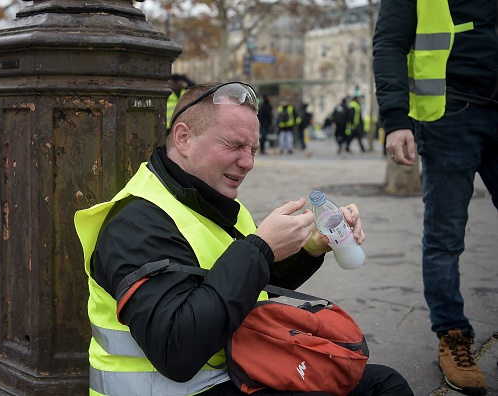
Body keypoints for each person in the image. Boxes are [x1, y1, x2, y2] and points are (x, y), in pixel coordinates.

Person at [74, 81, 415, 396]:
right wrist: (260, 248)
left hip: (233, 368)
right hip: (184, 387)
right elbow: (176, 350)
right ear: (183, 138)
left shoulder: (204, 197)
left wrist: (310, 248)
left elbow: (246, 284)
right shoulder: (136, 224)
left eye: (253, 148)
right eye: (235, 145)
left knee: (384, 383)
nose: (248, 162)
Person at [373, 1, 497, 395]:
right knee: (445, 236)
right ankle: (453, 335)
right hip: (448, 114)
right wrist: (395, 120)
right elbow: (390, 42)